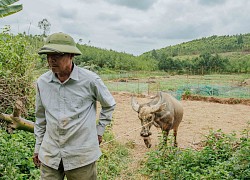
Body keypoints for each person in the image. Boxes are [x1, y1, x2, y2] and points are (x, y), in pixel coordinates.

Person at [33, 32, 116, 180]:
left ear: (71, 56)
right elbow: (40, 118)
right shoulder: (42, 82)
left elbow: (109, 104)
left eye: (57, 55)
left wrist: (99, 131)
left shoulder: (90, 80)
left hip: (81, 156)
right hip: (50, 154)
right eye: (48, 55)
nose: (51, 60)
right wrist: (38, 147)